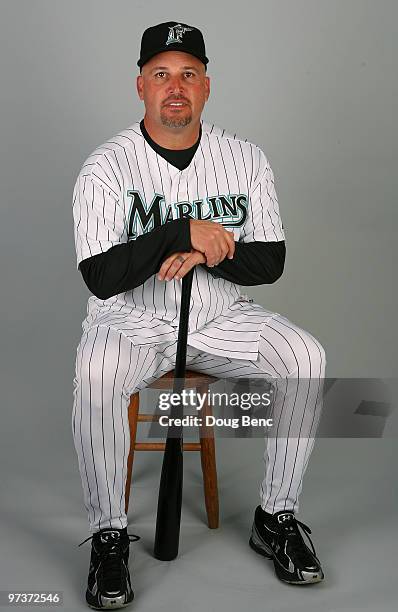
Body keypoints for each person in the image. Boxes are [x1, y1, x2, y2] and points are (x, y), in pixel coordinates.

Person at [72, 21, 326, 610]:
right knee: (95, 377)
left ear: (206, 86)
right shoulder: (106, 166)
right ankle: (109, 533)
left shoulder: (245, 159)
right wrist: (179, 232)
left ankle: (276, 516)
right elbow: (102, 275)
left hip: (219, 319)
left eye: (188, 73)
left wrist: (215, 248)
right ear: (141, 86)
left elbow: (271, 262)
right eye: (161, 74)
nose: (175, 86)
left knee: (306, 358)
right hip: (129, 323)